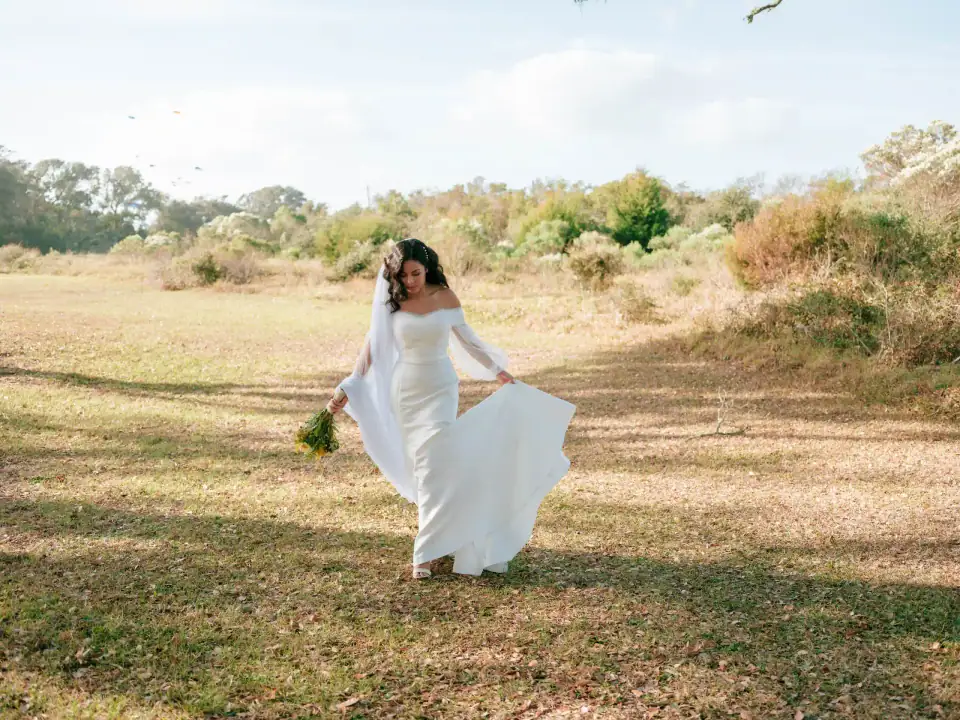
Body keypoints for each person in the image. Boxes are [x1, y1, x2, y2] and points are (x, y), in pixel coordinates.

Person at [327, 238, 575, 579]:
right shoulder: (393, 303)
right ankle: (446, 534)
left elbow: (468, 340)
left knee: (434, 460)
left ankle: (424, 552)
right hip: (406, 390)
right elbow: (372, 346)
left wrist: (500, 374)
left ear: (426, 268)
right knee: (423, 467)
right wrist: (351, 383)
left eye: (415, 273)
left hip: (439, 387)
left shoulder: (445, 297)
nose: (410, 281)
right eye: (403, 276)